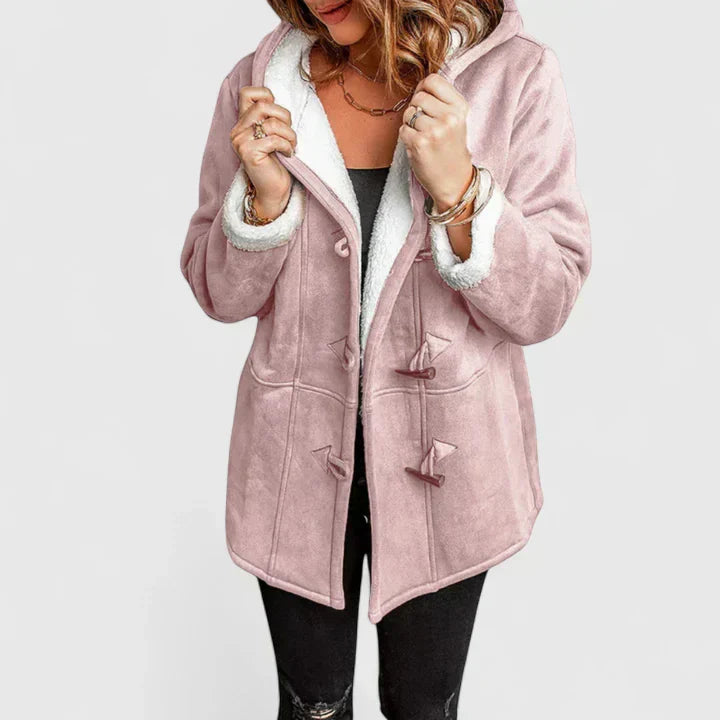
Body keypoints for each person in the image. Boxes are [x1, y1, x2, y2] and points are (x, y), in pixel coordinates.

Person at [180, 1, 591, 717]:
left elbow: (547, 300)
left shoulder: (515, 78)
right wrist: (264, 202)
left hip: (449, 468)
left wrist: (462, 192)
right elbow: (217, 292)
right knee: (310, 709)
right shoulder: (261, 84)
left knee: (422, 710)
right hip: (293, 464)